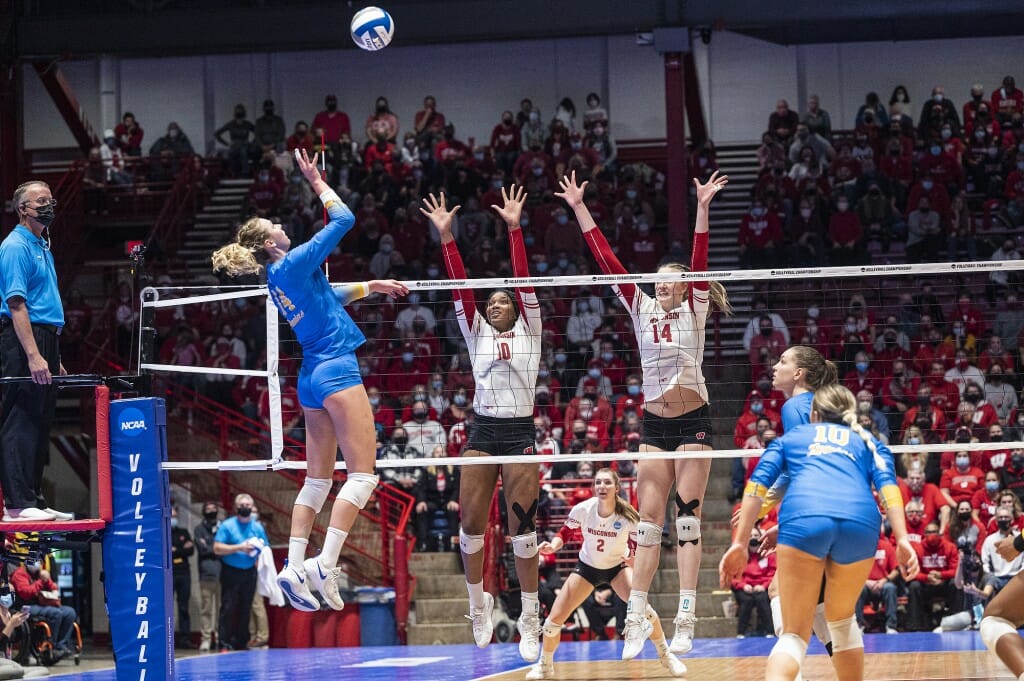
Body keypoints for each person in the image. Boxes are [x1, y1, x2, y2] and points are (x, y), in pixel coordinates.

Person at [212, 149, 408, 616]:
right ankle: (326, 563)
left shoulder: (278, 278)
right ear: (270, 242)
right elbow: (344, 218)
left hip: (310, 378)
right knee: (362, 477)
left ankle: (293, 566)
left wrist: (370, 286)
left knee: (317, 481)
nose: (282, 224)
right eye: (274, 224)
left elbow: (327, 294)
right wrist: (317, 182)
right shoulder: (293, 260)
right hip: (336, 368)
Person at [558, 169, 732, 658]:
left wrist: (702, 206)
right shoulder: (640, 307)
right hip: (656, 424)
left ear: (684, 287)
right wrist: (579, 208)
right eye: (659, 282)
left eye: (671, 282)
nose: (663, 287)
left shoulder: (694, 306)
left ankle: (687, 617)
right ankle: (636, 614)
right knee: (650, 525)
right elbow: (609, 261)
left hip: (694, 418)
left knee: (689, 522)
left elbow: (698, 257)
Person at [419, 185, 544, 661]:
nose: (493, 305)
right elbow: (459, 288)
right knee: (470, 523)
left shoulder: (531, 329)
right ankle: (478, 605)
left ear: (515, 308)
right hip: (484, 429)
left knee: (523, 530)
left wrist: (515, 229)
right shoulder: (475, 333)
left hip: (520, 431)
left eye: (501, 301)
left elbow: (526, 280)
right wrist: (447, 237)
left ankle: (530, 616)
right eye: (489, 303)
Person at [721, 384, 918, 681]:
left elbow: (756, 487)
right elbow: (889, 489)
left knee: (794, 635)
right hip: (860, 523)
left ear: (813, 414)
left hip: (804, 518)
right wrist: (902, 538)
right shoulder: (870, 442)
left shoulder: (793, 437)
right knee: (841, 622)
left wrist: (739, 542)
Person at [526, 469, 686, 679]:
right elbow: (565, 533)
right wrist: (553, 546)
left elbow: (641, 547)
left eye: (607, 483)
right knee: (552, 622)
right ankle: (545, 665)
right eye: (598, 482)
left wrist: (633, 559)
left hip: (616, 568)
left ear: (616, 488)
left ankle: (666, 655)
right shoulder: (583, 509)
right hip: (587, 568)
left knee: (644, 610)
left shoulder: (628, 515)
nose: (602, 486)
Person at [0, 181, 71, 522]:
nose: (48, 205)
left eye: (50, 199)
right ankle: (15, 503)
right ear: (22, 209)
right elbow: (16, 304)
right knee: (21, 418)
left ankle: (33, 499)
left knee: (41, 422)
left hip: (46, 339)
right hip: (22, 340)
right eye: (40, 201)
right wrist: (33, 354)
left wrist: (53, 356)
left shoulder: (42, 245)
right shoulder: (15, 246)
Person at [212, 494, 268, 651]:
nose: (245, 508)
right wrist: (239, 547)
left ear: (252, 507)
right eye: (242, 505)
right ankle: (224, 642)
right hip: (230, 571)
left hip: (249, 572)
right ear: (236, 507)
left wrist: (258, 553)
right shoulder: (227, 526)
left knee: (246, 607)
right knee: (228, 607)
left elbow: (266, 548)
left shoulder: (257, 527)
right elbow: (217, 548)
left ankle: (242, 641)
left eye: (248, 505)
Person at [11, 558, 79, 659]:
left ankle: (61, 646)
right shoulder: (19, 574)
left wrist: (48, 580)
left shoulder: (41, 573)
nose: (37, 564)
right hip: (27, 606)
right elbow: (26, 593)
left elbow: (54, 589)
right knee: (56, 613)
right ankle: (51, 646)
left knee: (70, 612)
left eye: (39, 561)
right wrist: (41, 582)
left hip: (42, 604)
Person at [193, 501, 221, 652]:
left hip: (222, 573)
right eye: (208, 509)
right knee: (206, 609)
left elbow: (224, 546)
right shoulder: (199, 529)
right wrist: (217, 547)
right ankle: (205, 639)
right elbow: (203, 550)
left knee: (221, 609)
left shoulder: (222, 528)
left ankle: (219, 637)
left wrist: (211, 545)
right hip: (206, 575)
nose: (211, 511)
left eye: (214, 508)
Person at [170, 504, 195, 648]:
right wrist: (181, 549)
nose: (173, 519)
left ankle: (185, 638)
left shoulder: (184, 532)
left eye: (175, 516)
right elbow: (165, 551)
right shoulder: (162, 532)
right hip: (170, 573)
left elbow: (190, 550)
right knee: (168, 607)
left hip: (184, 572)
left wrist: (176, 550)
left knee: (184, 606)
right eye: (171, 516)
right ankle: (168, 639)